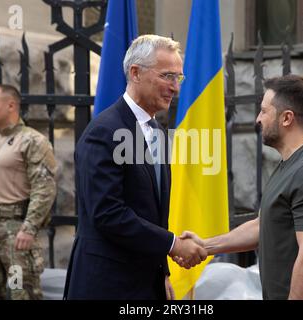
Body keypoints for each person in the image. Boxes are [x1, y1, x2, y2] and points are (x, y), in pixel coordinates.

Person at [63, 34, 207, 300]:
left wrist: (161, 272)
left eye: (179, 78)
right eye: (167, 76)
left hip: (145, 285)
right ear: (136, 72)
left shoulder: (158, 133)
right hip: (107, 286)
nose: (175, 87)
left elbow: (152, 213)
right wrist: (173, 244)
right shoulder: (104, 131)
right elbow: (107, 213)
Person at [178, 75, 303, 300]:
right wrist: (205, 246)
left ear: (287, 118)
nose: (258, 119)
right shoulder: (293, 164)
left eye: (264, 111)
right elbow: (263, 226)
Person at [0, 84, 57, 299]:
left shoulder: (33, 141)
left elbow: (44, 187)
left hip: (16, 234)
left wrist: (30, 227)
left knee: (19, 290)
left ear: (11, 105)